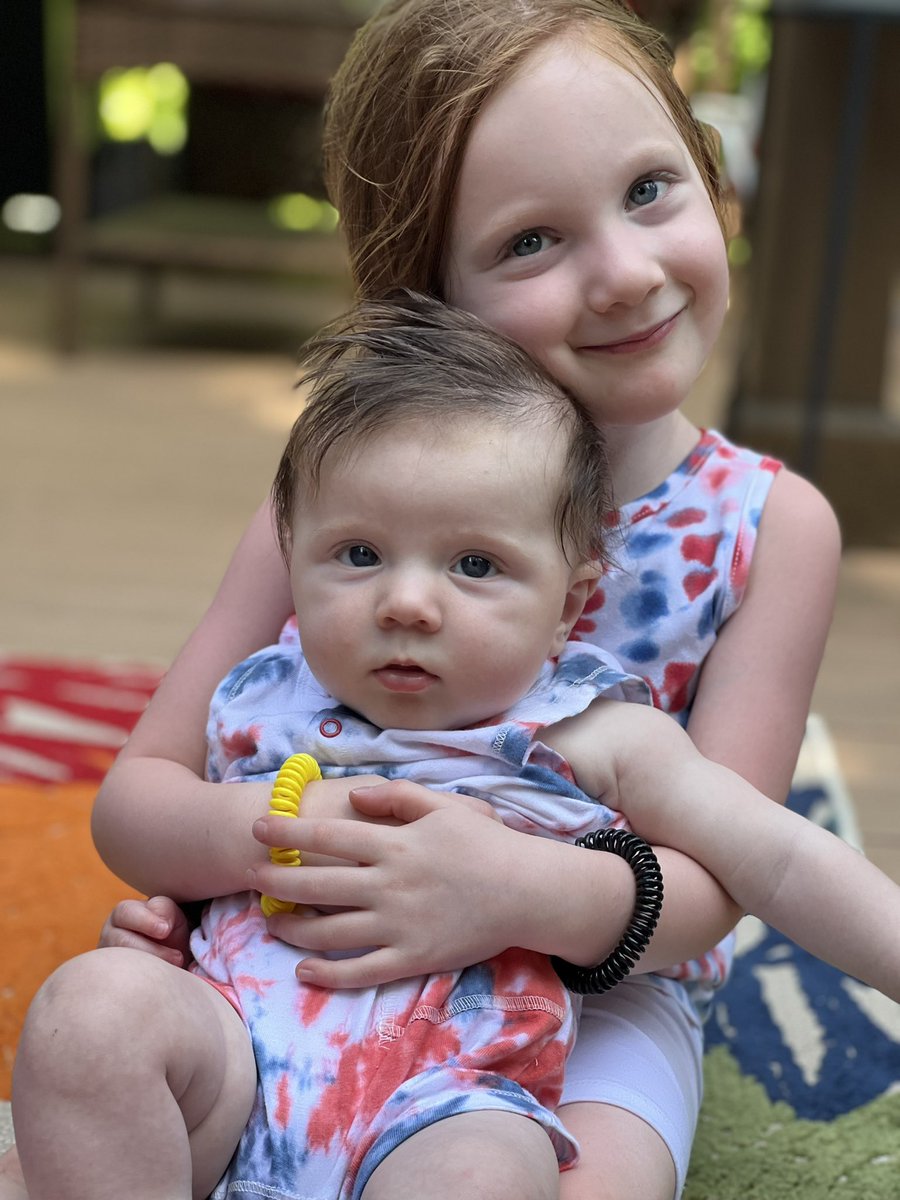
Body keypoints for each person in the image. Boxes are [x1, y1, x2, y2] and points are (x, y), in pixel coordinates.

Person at [0, 3, 844, 1199]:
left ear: (714, 181)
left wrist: (507, 891)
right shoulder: (346, 507)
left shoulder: (764, 529)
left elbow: (716, 885)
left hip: (599, 989)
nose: (622, 272)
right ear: (424, 298)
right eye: (532, 242)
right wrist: (265, 853)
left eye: (652, 189)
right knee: (91, 1069)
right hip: (302, 956)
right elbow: (141, 800)